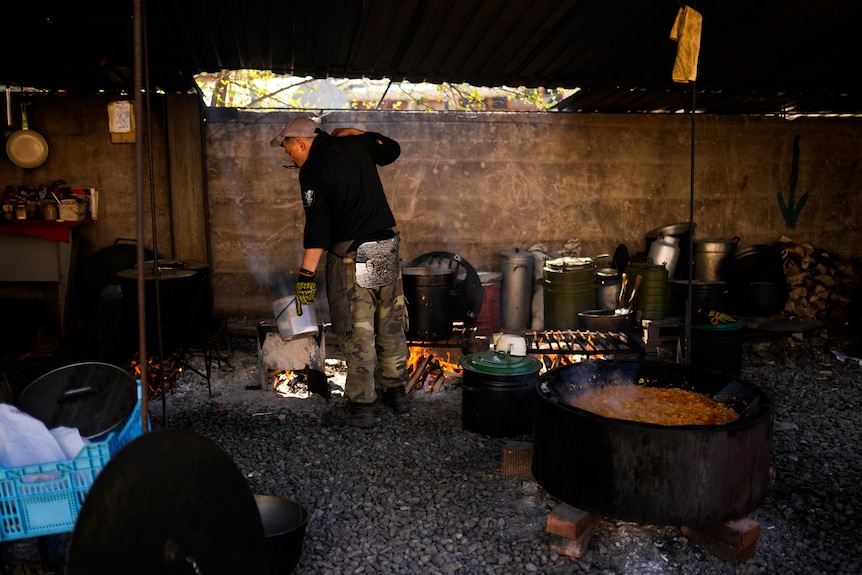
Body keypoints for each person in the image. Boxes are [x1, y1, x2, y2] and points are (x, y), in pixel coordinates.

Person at [270, 116, 410, 428]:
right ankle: (396, 392)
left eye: (288, 151)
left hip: (353, 255)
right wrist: (362, 133)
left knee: (358, 332)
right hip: (384, 246)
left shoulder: (312, 170)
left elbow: (318, 232)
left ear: (302, 144)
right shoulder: (355, 144)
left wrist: (305, 280)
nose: (289, 158)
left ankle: (361, 407)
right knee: (387, 323)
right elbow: (392, 150)